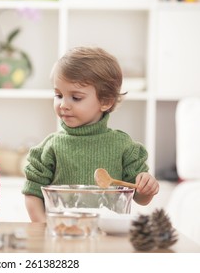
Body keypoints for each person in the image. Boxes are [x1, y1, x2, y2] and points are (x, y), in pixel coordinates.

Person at [22, 46, 159, 222]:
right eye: (58, 95)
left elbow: (140, 198)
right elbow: (32, 193)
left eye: (76, 97)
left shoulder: (123, 146)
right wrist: (46, 227)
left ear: (106, 101)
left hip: (108, 238)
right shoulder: (50, 147)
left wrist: (146, 186)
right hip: (64, 235)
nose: (63, 104)